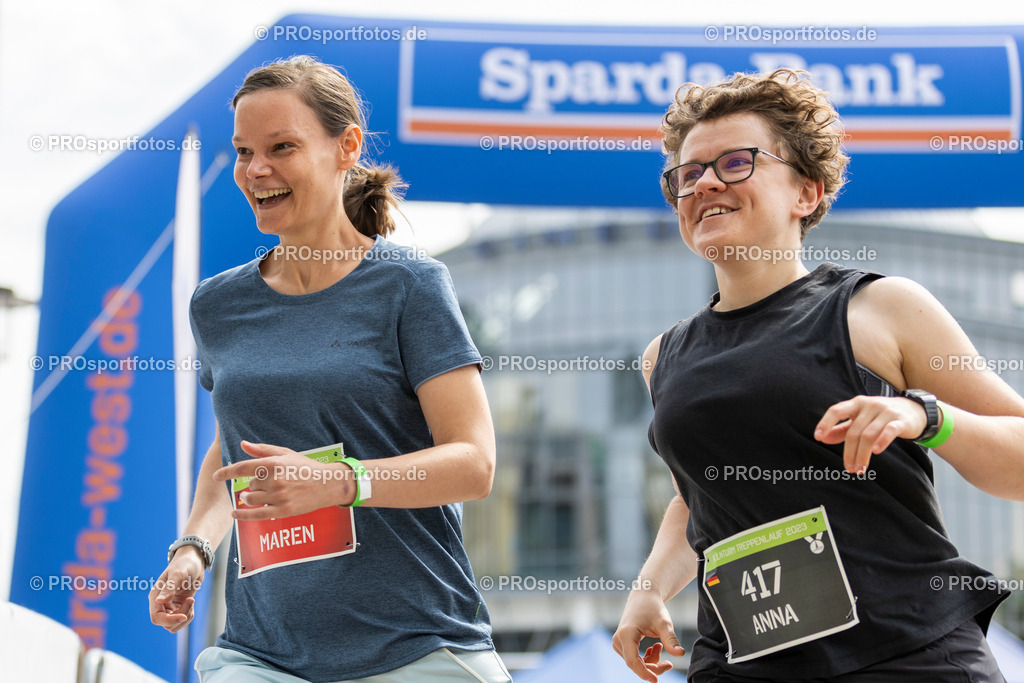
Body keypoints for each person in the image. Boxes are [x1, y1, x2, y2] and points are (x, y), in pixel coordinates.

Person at [612, 68, 1024, 682]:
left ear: (807, 194)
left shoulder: (880, 307)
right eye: (687, 174)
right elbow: (694, 496)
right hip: (742, 664)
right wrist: (649, 589)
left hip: (905, 656)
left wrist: (927, 416)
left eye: (735, 163)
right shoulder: (663, 355)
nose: (703, 185)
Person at [148, 55, 512, 683]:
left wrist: (343, 481)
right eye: (243, 151)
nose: (255, 170)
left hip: (416, 648)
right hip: (263, 655)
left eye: (281, 147)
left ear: (346, 148)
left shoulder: (410, 286)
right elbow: (227, 453)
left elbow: (473, 464)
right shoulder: (218, 304)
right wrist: (193, 550)